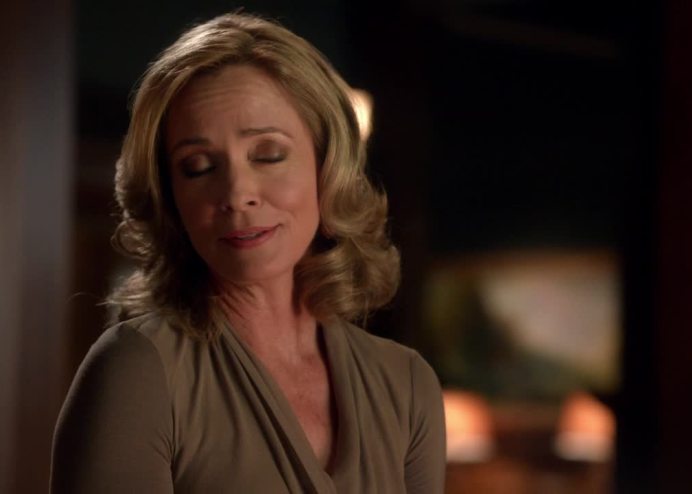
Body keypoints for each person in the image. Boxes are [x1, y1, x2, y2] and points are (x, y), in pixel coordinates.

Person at [51, 12, 446, 493]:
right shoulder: (138, 371)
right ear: (171, 198)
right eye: (198, 167)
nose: (237, 194)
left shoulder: (406, 383)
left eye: (267, 154)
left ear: (328, 165)